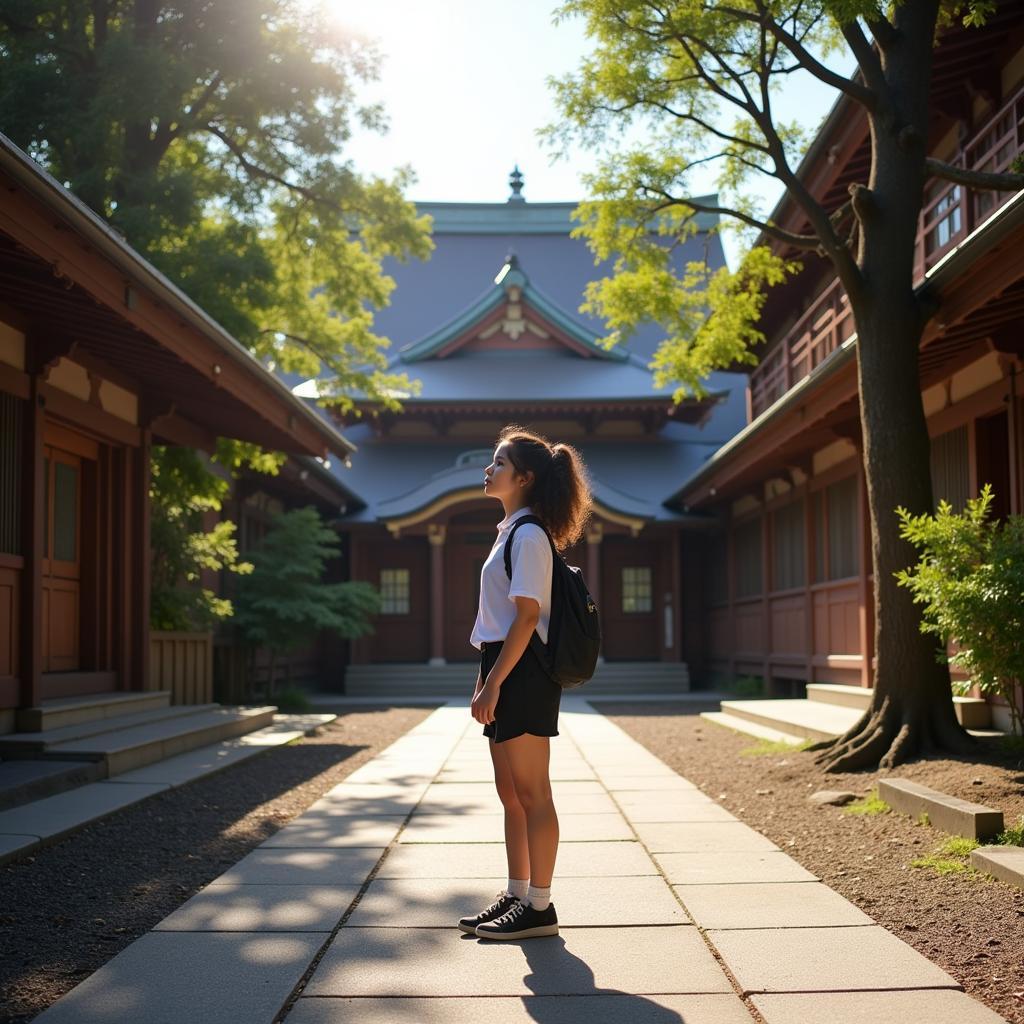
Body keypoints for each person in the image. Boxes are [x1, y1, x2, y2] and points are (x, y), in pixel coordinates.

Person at [458, 424, 592, 940]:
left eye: (498, 464)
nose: (488, 470)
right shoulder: (511, 530)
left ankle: (540, 906)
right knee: (509, 792)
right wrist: (488, 677)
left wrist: (493, 683)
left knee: (534, 792)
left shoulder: (530, 535)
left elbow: (527, 616)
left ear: (525, 477)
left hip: (524, 669)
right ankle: (517, 893)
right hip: (502, 663)